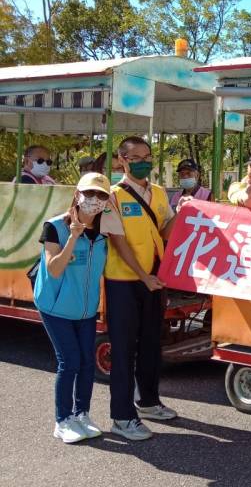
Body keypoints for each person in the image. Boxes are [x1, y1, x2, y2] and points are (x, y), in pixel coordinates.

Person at [101, 136, 183, 441]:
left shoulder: (159, 193)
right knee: (124, 350)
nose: (143, 161)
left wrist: (182, 213)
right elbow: (117, 240)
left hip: (154, 279)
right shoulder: (111, 196)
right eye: (136, 157)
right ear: (122, 160)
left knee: (151, 344)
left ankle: (148, 401)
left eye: (147, 156)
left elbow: (163, 230)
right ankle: (122, 417)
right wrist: (142, 275)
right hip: (124, 281)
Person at [33, 173, 110, 443]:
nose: (94, 200)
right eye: (89, 193)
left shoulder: (105, 232)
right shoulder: (54, 226)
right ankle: (62, 420)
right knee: (70, 362)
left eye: (101, 195)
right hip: (55, 307)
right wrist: (73, 237)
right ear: (77, 194)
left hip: (86, 310)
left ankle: (82, 414)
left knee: (87, 362)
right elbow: (53, 269)